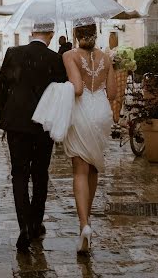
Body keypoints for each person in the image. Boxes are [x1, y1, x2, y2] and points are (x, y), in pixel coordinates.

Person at [0, 22, 67, 251]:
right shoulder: (56, 59)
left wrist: (5, 116)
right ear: (52, 34)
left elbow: (0, 88)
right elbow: (61, 94)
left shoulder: (14, 53)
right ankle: (36, 223)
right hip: (42, 127)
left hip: (16, 125)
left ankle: (23, 227)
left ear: (32, 32)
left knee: (18, 174)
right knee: (40, 174)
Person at [62, 21, 116, 254]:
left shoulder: (69, 55)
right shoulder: (106, 57)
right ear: (96, 33)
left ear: (75, 34)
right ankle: (88, 220)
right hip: (102, 112)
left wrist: (59, 88)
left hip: (82, 111)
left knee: (79, 170)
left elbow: (77, 89)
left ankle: (84, 225)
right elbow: (113, 93)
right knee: (93, 167)